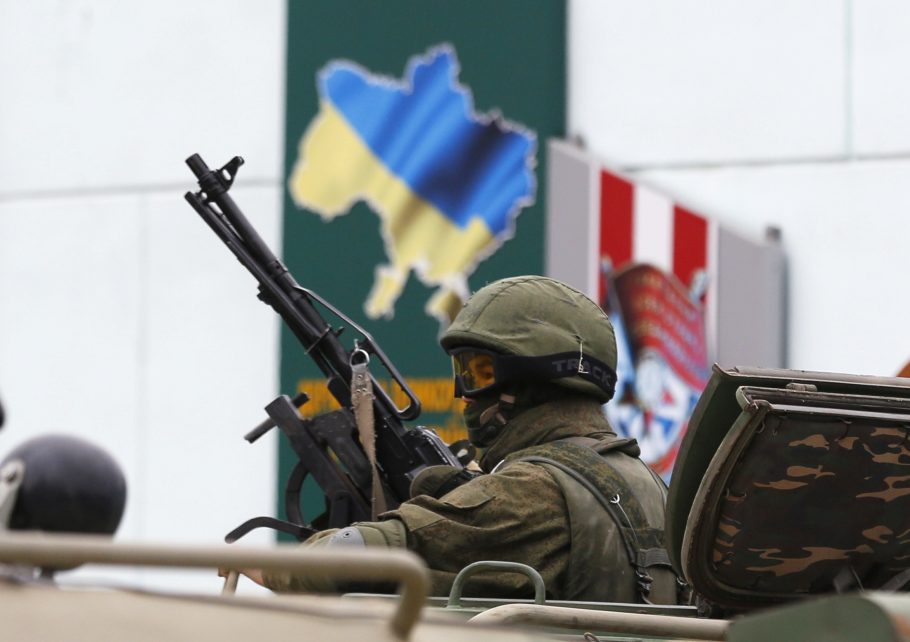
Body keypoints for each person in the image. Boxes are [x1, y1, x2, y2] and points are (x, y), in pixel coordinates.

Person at [231, 276, 679, 603]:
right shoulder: (648, 483)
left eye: (478, 372)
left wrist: (275, 568)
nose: (461, 392)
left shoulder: (531, 492)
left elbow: (363, 554)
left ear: (532, 377)